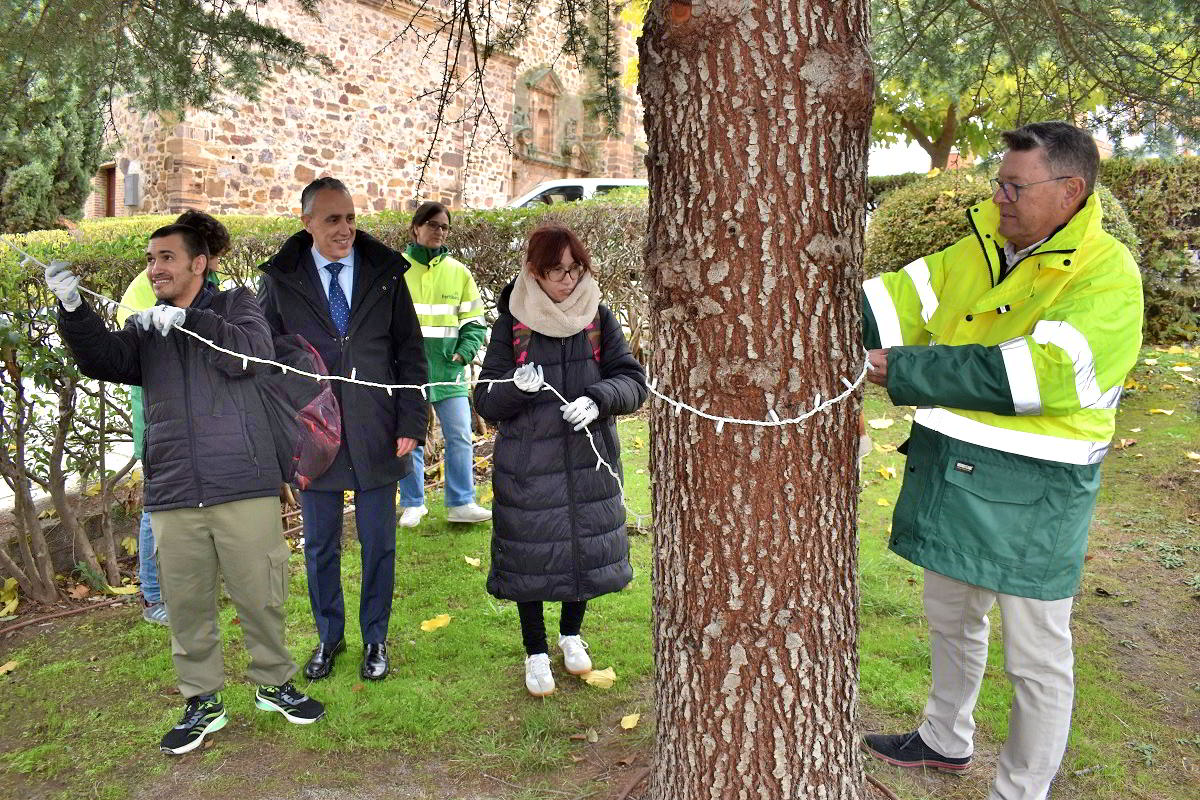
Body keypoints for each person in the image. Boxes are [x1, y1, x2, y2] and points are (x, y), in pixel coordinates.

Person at [859, 121, 1143, 800]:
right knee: (950, 615)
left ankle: (1021, 791)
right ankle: (944, 738)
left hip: (1038, 493)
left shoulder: (1108, 275)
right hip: (960, 469)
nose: (1001, 197)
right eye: (1000, 182)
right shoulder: (983, 246)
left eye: (1015, 185)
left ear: (1070, 191)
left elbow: (1036, 376)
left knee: (1038, 656)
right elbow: (894, 303)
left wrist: (905, 369)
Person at [47, 224, 324, 756]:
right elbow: (103, 360)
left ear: (199, 263)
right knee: (187, 603)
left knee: (261, 595)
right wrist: (75, 310)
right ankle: (202, 701)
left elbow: (251, 355)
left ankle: (274, 684)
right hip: (174, 486)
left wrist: (191, 320)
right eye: (151, 259)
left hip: (242, 479)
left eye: (167, 258)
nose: (156, 269)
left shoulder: (239, 304)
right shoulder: (145, 328)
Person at [258, 177, 427, 682]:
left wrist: (412, 420)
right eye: (333, 219)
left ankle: (375, 639)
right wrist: (285, 427)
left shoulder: (384, 274)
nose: (345, 228)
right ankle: (329, 638)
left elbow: (410, 353)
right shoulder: (281, 278)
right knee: (320, 544)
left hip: (378, 428)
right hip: (314, 436)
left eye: (351, 217)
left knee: (378, 542)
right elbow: (263, 357)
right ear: (306, 221)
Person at [474, 223, 647, 696]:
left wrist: (599, 398)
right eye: (556, 272)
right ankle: (535, 652)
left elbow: (632, 380)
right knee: (531, 556)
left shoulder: (598, 317)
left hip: (589, 459)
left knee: (583, 550)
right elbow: (486, 397)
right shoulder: (514, 321)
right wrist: (515, 386)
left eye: (575, 270)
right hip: (531, 463)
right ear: (534, 271)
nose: (568, 281)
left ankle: (571, 635)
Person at [117, 210, 230, 627]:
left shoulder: (211, 285)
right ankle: (152, 595)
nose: (215, 266)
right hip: (159, 413)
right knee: (158, 505)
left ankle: (196, 585)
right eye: (213, 257)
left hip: (200, 415)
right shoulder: (151, 284)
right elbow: (128, 346)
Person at [398, 201, 491, 527]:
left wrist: (463, 354)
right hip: (407, 373)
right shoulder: (395, 270)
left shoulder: (459, 273)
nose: (438, 231)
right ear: (416, 228)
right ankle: (413, 503)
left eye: (444, 227)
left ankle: (461, 503)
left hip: (448, 369)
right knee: (409, 437)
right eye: (432, 224)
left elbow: (475, 323)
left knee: (460, 436)